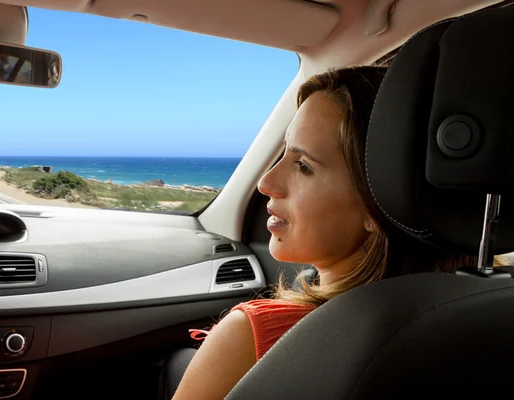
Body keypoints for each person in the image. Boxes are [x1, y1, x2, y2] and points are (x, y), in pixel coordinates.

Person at [171, 65, 507, 399]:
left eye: (303, 166)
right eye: (284, 153)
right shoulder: (489, 314)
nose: (266, 182)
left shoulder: (250, 338)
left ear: (378, 204)